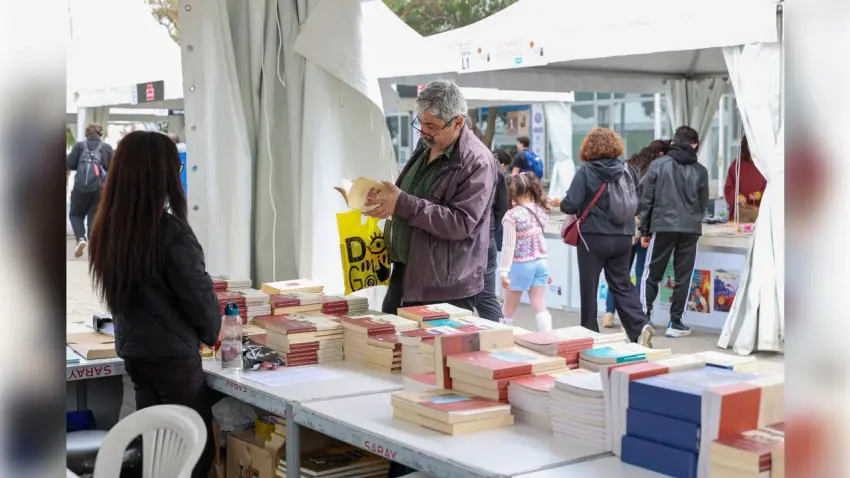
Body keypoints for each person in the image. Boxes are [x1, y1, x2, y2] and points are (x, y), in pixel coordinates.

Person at [88, 131, 219, 478]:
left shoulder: (108, 228)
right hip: (175, 360)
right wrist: (213, 332)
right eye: (176, 169)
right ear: (159, 174)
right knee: (192, 455)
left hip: (137, 355)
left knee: (156, 454)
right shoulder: (169, 230)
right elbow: (199, 297)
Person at [368, 79, 497, 316]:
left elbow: (460, 223)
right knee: (391, 342)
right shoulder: (426, 145)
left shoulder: (477, 161)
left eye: (432, 125)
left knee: (425, 351)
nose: (424, 131)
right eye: (421, 122)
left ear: (458, 122)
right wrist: (387, 200)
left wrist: (402, 203)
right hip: (408, 271)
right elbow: (413, 196)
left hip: (445, 287)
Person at [558, 128, 653, 346]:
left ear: (588, 147)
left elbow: (571, 204)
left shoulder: (586, 171)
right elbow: (638, 202)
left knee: (589, 286)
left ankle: (589, 334)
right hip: (623, 236)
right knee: (621, 284)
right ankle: (639, 326)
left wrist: (562, 202)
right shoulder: (628, 169)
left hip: (593, 237)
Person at [639, 125, 709, 338]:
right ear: (695, 145)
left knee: (652, 273)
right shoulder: (701, 171)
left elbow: (647, 200)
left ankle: (643, 317)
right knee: (683, 276)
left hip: (663, 226)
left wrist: (644, 229)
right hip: (690, 228)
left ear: (673, 142)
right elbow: (703, 203)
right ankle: (675, 322)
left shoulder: (658, 165)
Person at [602, 140, 670, 328]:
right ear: (662, 154)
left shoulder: (627, 166)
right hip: (642, 227)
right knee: (642, 274)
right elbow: (650, 203)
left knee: (619, 273)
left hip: (622, 225)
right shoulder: (656, 171)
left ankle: (609, 312)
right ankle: (637, 317)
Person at [499, 173, 552, 330]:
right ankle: (548, 339)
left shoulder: (512, 215)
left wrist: (503, 271)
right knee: (539, 305)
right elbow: (539, 237)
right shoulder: (541, 211)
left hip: (521, 264)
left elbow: (508, 245)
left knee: (508, 307)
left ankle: (501, 340)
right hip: (541, 262)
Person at [67, 123, 113, 257]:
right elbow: (112, 168)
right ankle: (94, 246)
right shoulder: (107, 148)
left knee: (75, 214)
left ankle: (81, 238)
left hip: (80, 187)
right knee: (94, 217)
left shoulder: (79, 146)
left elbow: (70, 164)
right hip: (99, 188)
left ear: (86, 134)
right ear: (101, 134)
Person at [473, 153, 509, 322]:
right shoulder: (495, 168)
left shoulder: (457, 165)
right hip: (486, 238)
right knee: (486, 297)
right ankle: (500, 337)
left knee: (457, 300)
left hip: (470, 241)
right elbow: (502, 207)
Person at [724, 136, 765, 222]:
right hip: (739, 216)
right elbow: (728, 189)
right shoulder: (736, 165)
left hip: (761, 217)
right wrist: (737, 197)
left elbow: (771, 188)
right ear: (746, 145)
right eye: (751, 144)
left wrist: (760, 195)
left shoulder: (765, 166)